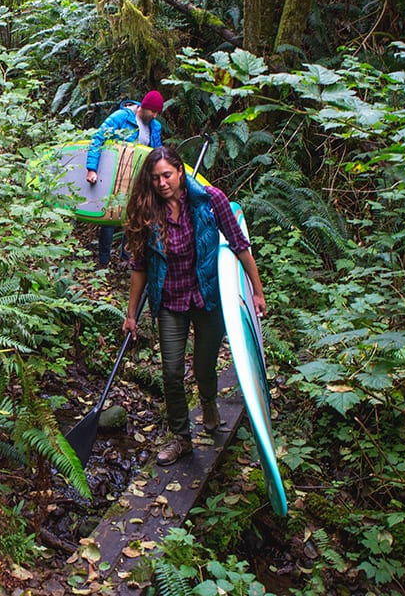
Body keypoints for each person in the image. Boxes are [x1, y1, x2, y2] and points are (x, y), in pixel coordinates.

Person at [120, 146, 268, 466]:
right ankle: (181, 438)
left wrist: (257, 291)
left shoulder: (210, 200)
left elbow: (240, 245)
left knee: (204, 367)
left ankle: (210, 405)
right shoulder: (149, 210)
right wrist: (131, 315)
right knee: (171, 373)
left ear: (180, 172)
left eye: (167, 175)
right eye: (156, 177)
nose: (161, 183)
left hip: (207, 298)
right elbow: (140, 266)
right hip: (170, 301)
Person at [86, 90, 165, 266]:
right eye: (153, 111)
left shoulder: (155, 126)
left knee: (134, 217)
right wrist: (92, 168)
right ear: (144, 107)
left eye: (157, 113)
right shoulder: (122, 117)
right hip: (116, 173)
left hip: (139, 178)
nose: (155, 115)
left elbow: (156, 153)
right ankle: (104, 261)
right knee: (111, 216)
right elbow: (98, 138)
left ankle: (126, 258)